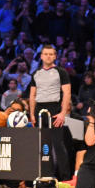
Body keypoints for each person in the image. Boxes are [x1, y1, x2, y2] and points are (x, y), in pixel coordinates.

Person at [28, 45, 72, 180]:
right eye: (45, 54)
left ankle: (65, 178)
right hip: (39, 110)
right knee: (42, 145)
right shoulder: (36, 73)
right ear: (41, 56)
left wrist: (63, 113)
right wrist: (31, 114)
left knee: (58, 144)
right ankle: (44, 176)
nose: (48, 56)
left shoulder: (61, 72)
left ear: (55, 56)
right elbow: (32, 95)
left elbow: (67, 92)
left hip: (54, 109)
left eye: (51, 54)